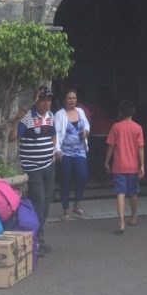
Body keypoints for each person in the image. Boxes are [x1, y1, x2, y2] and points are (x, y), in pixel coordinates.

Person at [9, 85, 56, 257]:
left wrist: (54, 149)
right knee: (38, 201)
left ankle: (40, 236)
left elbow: (52, 134)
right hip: (33, 168)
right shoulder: (28, 118)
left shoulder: (50, 117)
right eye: (43, 100)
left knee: (47, 200)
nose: (46, 104)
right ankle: (34, 239)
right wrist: (17, 119)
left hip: (49, 166)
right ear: (36, 101)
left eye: (48, 100)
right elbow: (12, 137)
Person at [104, 99, 145, 234]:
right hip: (133, 166)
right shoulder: (138, 128)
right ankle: (133, 217)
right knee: (133, 193)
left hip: (119, 165)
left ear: (120, 112)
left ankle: (121, 222)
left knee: (120, 193)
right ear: (133, 111)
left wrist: (106, 161)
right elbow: (140, 148)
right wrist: (142, 165)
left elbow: (111, 146)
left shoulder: (116, 127)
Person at [55, 88, 90, 220]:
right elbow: (56, 134)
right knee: (65, 179)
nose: (72, 100)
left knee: (83, 175)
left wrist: (86, 132)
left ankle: (77, 202)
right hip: (65, 152)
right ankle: (65, 208)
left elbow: (86, 125)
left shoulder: (80, 111)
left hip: (80, 150)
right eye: (69, 98)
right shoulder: (59, 114)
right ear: (64, 100)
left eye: (74, 98)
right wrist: (57, 149)